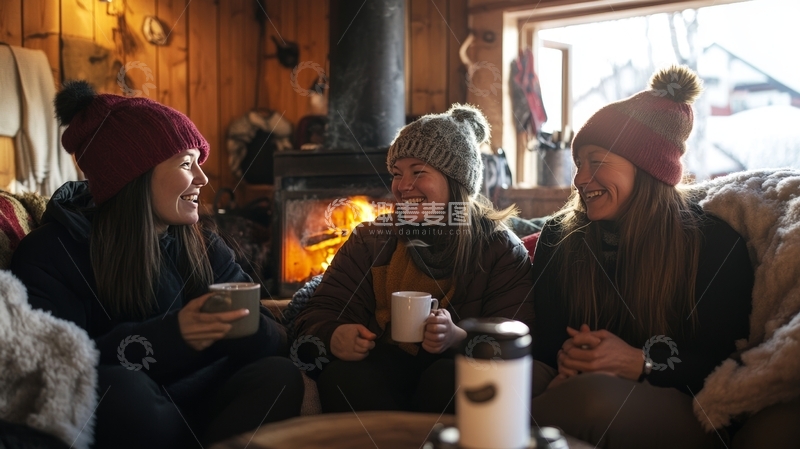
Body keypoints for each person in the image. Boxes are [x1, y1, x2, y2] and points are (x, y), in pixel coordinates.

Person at [9, 81, 303, 449]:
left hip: (205, 405)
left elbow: (272, 342)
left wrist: (246, 327)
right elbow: (53, 366)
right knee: (122, 390)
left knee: (278, 375)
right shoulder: (53, 252)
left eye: (199, 162)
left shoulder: (203, 244)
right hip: (136, 415)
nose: (203, 178)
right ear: (132, 176)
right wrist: (174, 336)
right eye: (185, 163)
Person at [528, 65, 753, 449]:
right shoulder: (558, 237)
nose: (580, 179)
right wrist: (569, 356)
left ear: (648, 169)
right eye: (579, 163)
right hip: (571, 385)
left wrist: (640, 362)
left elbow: (726, 360)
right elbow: (546, 338)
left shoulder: (714, 243)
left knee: (591, 398)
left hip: (685, 404)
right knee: (472, 378)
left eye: (596, 161)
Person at [293, 104, 535, 414]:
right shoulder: (371, 239)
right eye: (396, 173)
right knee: (344, 376)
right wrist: (334, 335)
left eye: (418, 172)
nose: (403, 186)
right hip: (381, 370)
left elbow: (519, 339)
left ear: (457, 181)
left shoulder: (498, 249)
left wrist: (459, 338)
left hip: (451, 373)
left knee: (448, 378)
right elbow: (320, 311)